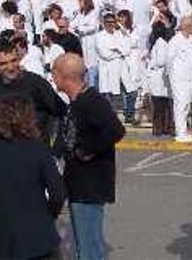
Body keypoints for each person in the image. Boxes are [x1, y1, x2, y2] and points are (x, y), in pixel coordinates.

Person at [0, 96, 67, 260]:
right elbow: (57, 191)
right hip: (39, 236)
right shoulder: (39, 151)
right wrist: (49, 214)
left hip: (0, 237)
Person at [53, 54, 125, 260]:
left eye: (54, 73)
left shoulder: (91, 101)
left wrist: (86, 151)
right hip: (78, 183)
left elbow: (115, 130)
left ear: (63, 75)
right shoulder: (76, 102)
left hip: (90, 184)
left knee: (89, 247)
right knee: (86, 244)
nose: (53, 78)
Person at [0, 39, 65, 142]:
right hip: (5, 150)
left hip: (36, 149)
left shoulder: (36, 83)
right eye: (3, 63)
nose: (10, 67)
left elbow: (62, 111)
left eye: (14, 60)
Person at [167, 17, 192, 142]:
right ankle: (180, 132)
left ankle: (183, 130)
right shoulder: (175, 40)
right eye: (191, 25)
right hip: (178, 78)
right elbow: (169, 59)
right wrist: (171, 76)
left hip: (189, 78)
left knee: (186, 105)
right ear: (185, 26)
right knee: (180, 104)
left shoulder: (191, 40)